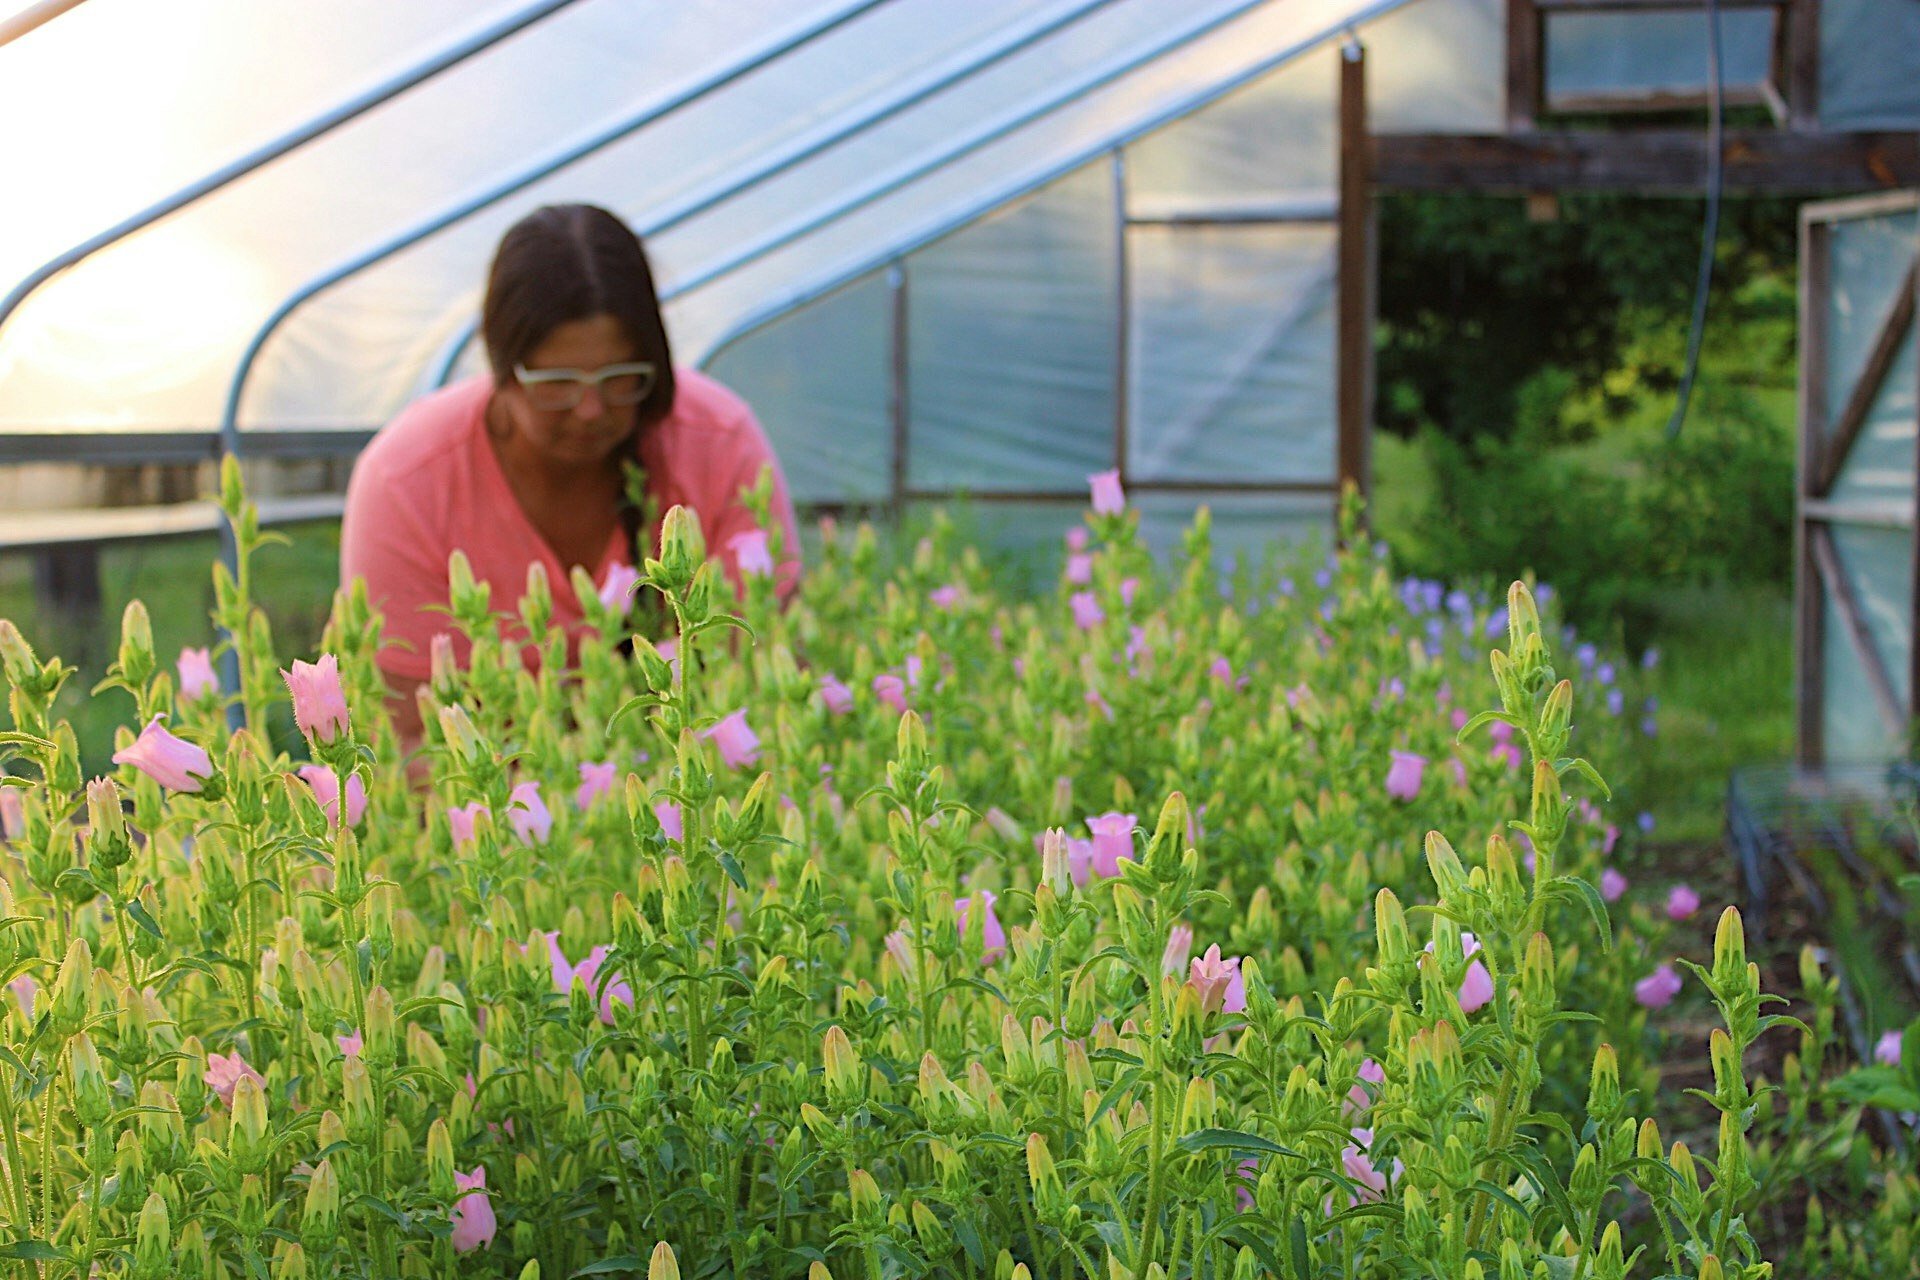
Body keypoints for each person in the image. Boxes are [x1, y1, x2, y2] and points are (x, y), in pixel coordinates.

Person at [340, 203, 801, 751]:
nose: (589, 409)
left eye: (620, 377)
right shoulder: (407, 481)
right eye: (557, 382)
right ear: (501, 363)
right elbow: (408, 738)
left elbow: (765, 677)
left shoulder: (718, 441)